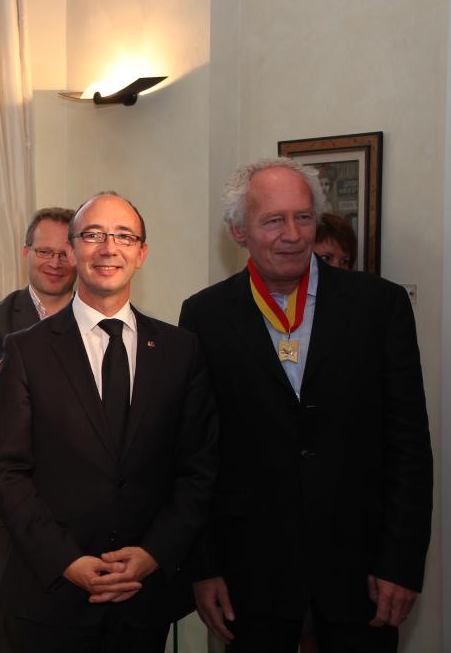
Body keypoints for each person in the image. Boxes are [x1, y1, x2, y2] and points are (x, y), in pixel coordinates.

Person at [180, 158, 432, 652]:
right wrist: (203, 567)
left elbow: (408, 445)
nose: (292, 234)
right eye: (273, 220)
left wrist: (401, 562)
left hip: (362, 572)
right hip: (250, 573)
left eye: (303, 217)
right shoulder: (204, 315)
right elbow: (196, 453)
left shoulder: (379, 307)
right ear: (239, 231)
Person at [0, 192, 217, 653]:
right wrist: (67, 560)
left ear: (141, 253)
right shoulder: (26, 351)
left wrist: (153, 554)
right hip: (49, 599)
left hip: (142, 602)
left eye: (124, 236)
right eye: (93, 235)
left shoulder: (179, 351)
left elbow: (198, 469)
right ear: (73, 250)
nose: (109, 248)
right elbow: (6, 471)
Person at [0, 205, 76, 651]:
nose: (54, 262)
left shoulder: (102, 320)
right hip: (6, 509)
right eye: (43, 251)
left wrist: (20, 376)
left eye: (65, 252)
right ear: (26, 252)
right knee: (12, 636)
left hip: (81, 508)